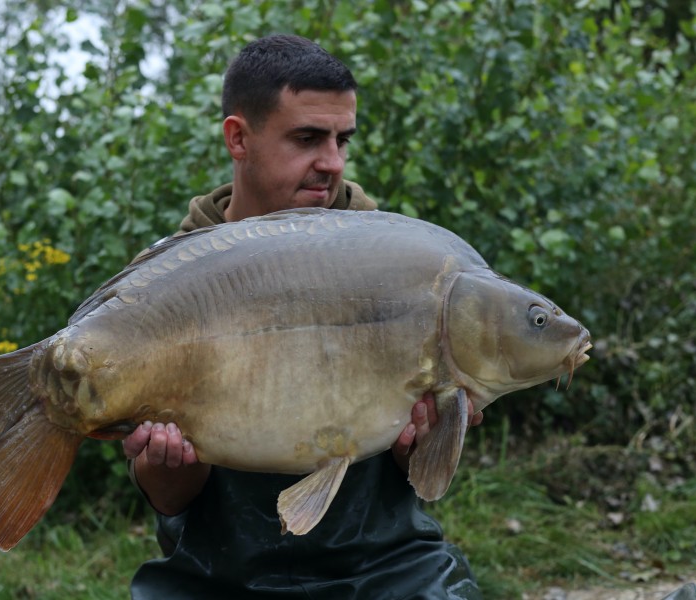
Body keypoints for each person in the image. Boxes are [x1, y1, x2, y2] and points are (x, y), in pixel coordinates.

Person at [122, 34, 484, 599]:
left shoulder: (399, 263)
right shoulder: (167, 285)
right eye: (308, 138)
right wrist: (167, 461)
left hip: (384, 567)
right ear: (238, 138)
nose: (332, 162)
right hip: (218, 574)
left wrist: (423, 439)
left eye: (343, 139)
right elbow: (169, 499)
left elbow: (421, 470)